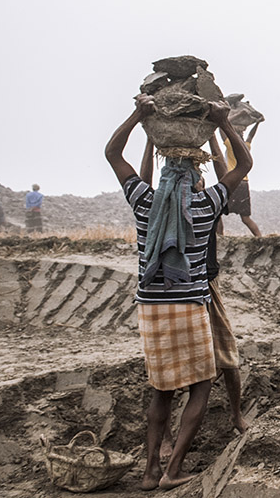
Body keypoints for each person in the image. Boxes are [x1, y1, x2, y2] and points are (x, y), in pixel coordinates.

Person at [106, 94, 252, 491]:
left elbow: (112, 153)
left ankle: (151, 472)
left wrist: (139, 116)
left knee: (162, 391)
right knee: (201, 387)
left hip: (150, 309)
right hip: (189, 304)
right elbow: (245, 165)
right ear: (193, 177)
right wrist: (223, 123)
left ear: (164, 175)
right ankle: (173, 471)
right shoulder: (205, 206)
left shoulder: (145, 204)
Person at [140, 134, 250, 449]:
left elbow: (143, 181)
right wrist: (220, 129)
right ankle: (172, 441)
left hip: (193, 290)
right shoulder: (200, 206)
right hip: (194, 293)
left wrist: (150, 142)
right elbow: (238, 170)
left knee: (224, 360)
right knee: (192, 377)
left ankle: (235, 415)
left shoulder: (173, 208)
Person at [223, 120, 262, 237]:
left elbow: (222, 130)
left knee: (216, 213)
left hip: (232, 182)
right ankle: (259, 238)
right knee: (245, 218)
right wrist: (257, 123)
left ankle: (219, 236)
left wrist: (222, 120)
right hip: (244, 183)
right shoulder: (246, 146)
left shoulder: (230, 144)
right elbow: (251, 135)